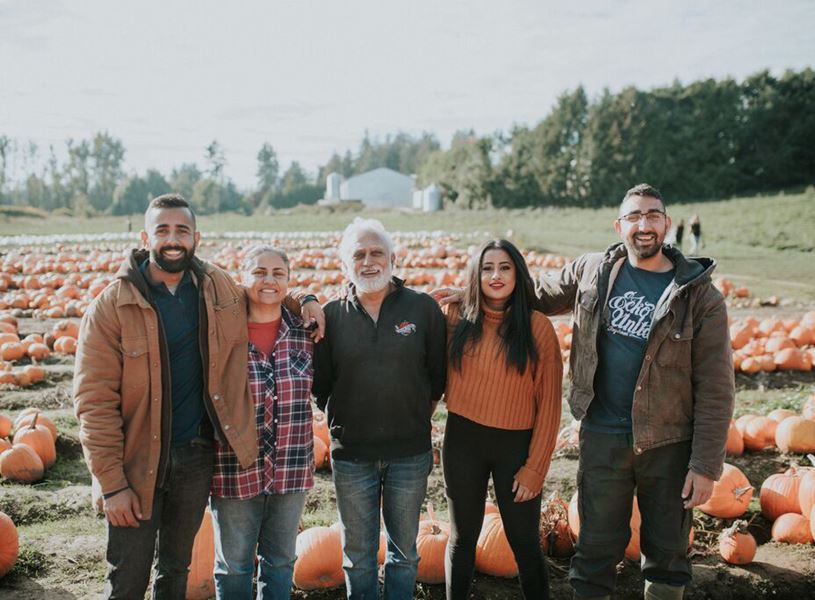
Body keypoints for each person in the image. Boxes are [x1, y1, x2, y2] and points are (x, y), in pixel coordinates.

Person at [435, 183, 734, 600]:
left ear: (667, 224)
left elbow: (717, 385)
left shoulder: (699, 297)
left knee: (667, 552)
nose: (643, 225)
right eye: (634, 217)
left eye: (652, 216)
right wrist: (470, 294)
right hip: (603, 435)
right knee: (594, 550)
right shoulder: (595, 271)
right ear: (619, 225)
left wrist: (705, 464)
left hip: (668, 439)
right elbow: (532, 292)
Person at [73, 194, 324, 599]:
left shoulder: (215, 287)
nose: (173, 240)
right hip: (137, 462)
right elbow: (93, 402)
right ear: (144, 237)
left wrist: (306, 301)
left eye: (182, 231)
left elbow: (264, 291)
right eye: (163, 230)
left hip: (195, 457)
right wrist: (111, 484)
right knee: (128, 576)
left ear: (196, 237)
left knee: (176, 569)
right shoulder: (111, 306)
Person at [313, 217, 447, 600]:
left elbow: (436, 379)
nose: (368, 261)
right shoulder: (331, 316)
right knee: (358, 553)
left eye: (376, 253)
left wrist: (410, 417)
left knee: (404, 552)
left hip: (409, 453)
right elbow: (321, 388)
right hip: (352, 455)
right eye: (359, 254)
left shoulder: (422, 310)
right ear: (345, 264)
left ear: (393, 258)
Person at [441, 239, 562, 600]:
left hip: (516, 448)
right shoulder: (456, 318)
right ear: (475, 276)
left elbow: (551, 406)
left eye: (504, 268)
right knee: (462, 538)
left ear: (517, 274)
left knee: (523, 542)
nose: (495, 276)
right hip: (462, 441)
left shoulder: (537, 328)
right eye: (487, 268)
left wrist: (535, 468)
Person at [209, 245, 314, 600]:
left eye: (278, 274)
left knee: (280, 562)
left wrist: (309, 298)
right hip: (235, 467)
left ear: (288, 281)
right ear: (243, 277)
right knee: (234, 563)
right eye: (259, 272)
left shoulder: (305, 331)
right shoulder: (223, 333)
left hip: (290, 466)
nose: (268, 280)